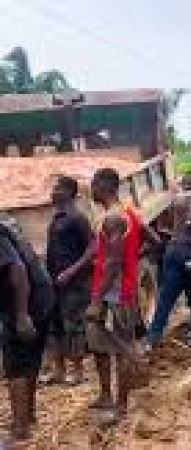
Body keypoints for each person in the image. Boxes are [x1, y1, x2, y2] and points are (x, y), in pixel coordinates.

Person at [84, 167, 159, 423]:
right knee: (99, 346)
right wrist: (133, 258)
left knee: (121, 349)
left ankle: (121, 405)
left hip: (116, 297)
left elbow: (112, 263)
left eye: (92, 185)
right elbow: (154, 240)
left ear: (101, 186)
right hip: (111, 292)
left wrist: (95, 301)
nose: (90, 191)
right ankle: (106, 396)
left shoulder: (114, 219)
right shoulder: (128, 213)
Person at [145, 170, 191, 351]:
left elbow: (165, 227)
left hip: (172, 251)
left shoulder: (177, 199)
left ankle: (152, 340)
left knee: (165, 298)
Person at [0, 218, 55, 443]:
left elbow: (18, 270)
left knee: (16, 366)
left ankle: (19, 431)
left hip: (26, 304)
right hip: (42, 297)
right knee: (29, 360)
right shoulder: (6, 226)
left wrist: (22, 316)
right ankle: (28, 416)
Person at [44, 176, 93, 386]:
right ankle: (59, 370)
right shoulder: (57, 217)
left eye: (56, 188)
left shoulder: (78, 218)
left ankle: (78, 372)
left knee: (74, 324)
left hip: (75, 282)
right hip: (55, 281)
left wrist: (71, 272)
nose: (52, 192)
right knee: (55, 324)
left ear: (68, 192)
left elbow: (92, 248)